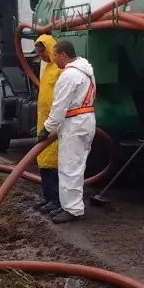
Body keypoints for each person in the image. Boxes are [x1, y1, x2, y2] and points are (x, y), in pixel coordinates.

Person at [38, 40, 96, 224]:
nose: (54, 58)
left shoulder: (69, 75)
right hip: (83, 121)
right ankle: (67, 205)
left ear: (63, 55)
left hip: (75, 124)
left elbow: (59, 106)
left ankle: (73, 210)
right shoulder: (85, 70)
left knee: (70, 168)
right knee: (72, 167)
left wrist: (47, 128)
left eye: (55, 55)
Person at [32, 35, 62, 214]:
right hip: (43, 121)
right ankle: (47, 196)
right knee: (43, 160)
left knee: (54, 163)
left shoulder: (59, 69)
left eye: (43, 52)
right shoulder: (47, 68)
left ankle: (56, 199)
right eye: (39, 54)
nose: (41, 56)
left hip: (54, 124)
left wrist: (52, 123)